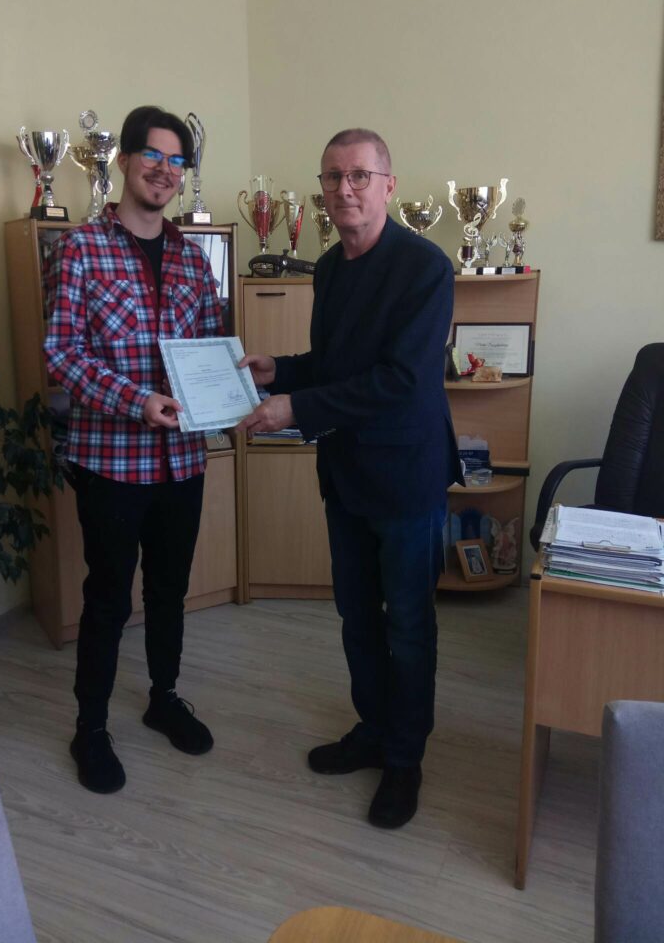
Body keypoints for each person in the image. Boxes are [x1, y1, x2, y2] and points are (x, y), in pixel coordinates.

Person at [237, 129, 461, 829]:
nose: (345, 189)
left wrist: (296, 408)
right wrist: (281, 371)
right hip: (346, 474)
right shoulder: (330, 267)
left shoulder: (426, 268)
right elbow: (337, 365)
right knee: (357, 617)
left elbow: (400, 381)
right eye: (333, 177)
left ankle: (405, 757)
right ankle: (373, 730)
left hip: (407, 478)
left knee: (409, 625)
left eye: (359, 175)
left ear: (388, 185)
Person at [43, 105, 223, 794]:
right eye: (153, 155)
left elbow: (210, 347)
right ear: (123, 161)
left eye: (177, 160)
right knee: (108, 599)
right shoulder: (81, 249)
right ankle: (89, 727)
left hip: (183, 462)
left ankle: (162, 698)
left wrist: (234, 388)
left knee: (170, 591)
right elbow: (62, 353)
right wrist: (135, 399)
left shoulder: (191, 258)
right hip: (112, 465)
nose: (164, 170)